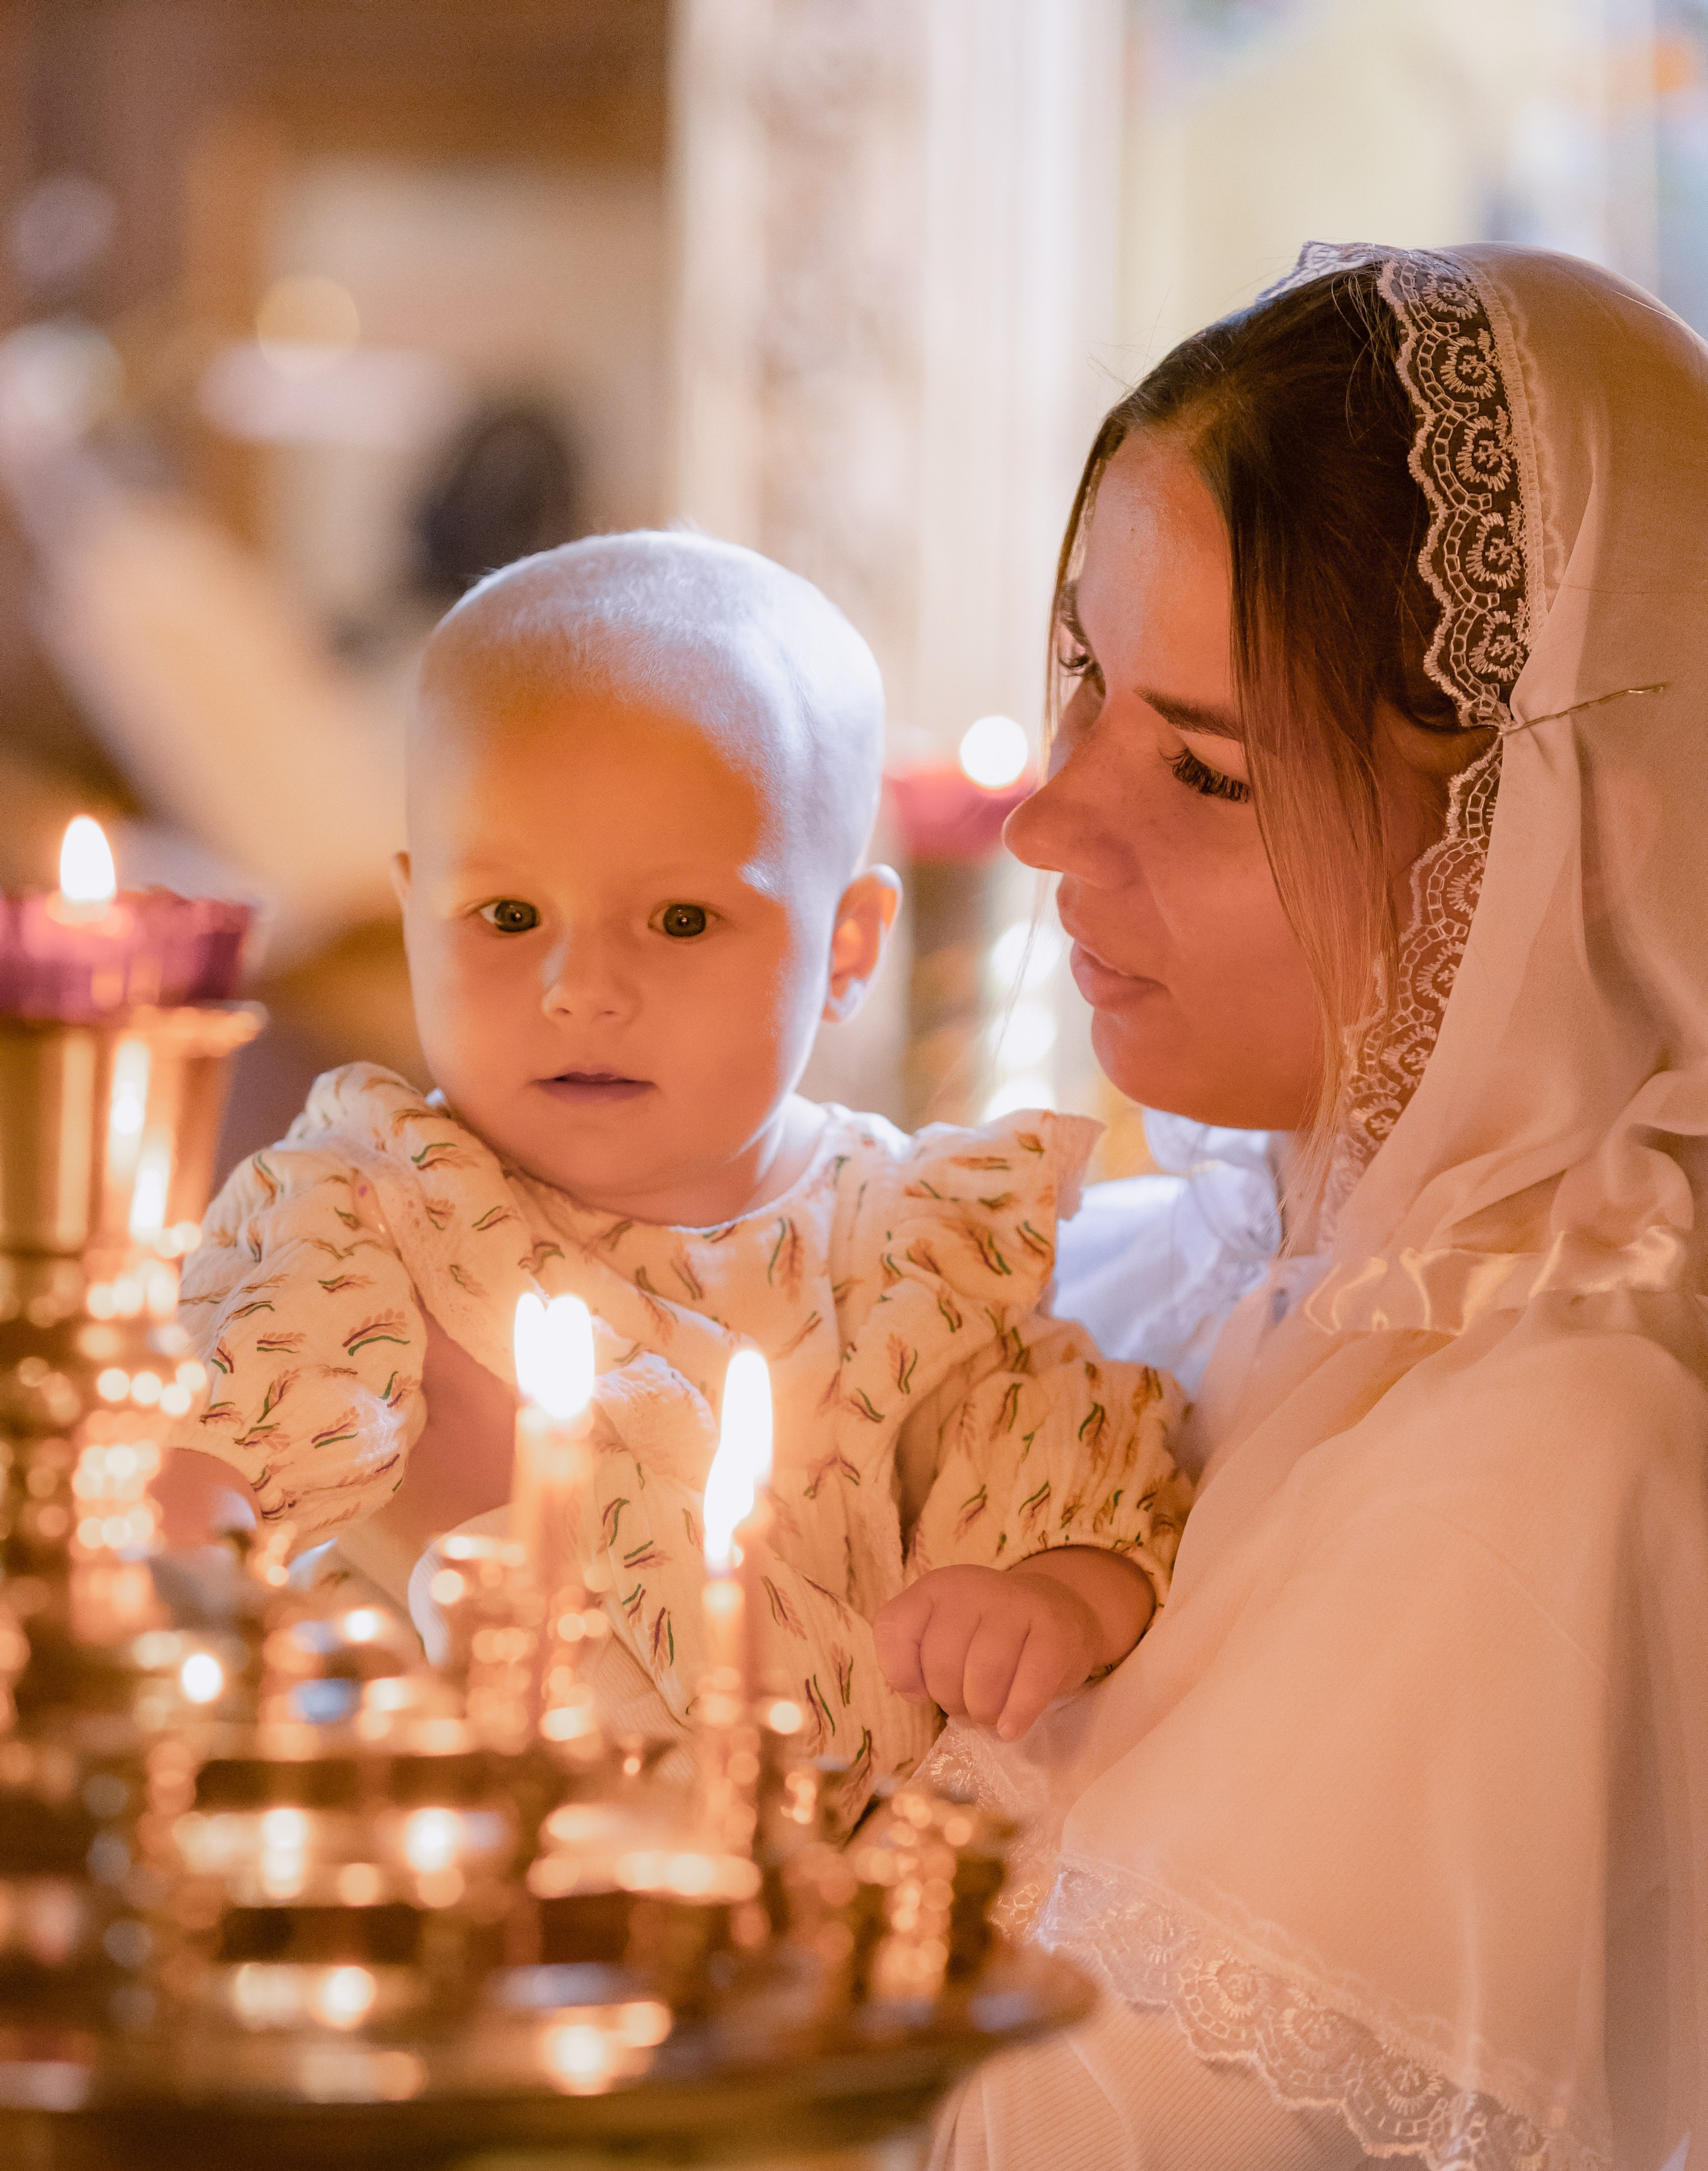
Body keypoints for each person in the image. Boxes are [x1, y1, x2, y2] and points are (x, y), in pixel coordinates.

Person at [556, 244, 1708, 2171]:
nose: (1057, 813)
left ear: (1527, 841)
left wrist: (572, 1800)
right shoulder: (1178, 1276)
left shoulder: (1552, 1457)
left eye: (1200, 758)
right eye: (1080, 680)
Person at [159, 531, 1188, 1797]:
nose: (580, 988)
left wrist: (1057, 1598)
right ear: (418, 909)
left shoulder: (921, 1242)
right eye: (508, 916)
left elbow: (1079, 1476)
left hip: (782, 1893)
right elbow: (245, 1433)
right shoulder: (377, 1202)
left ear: (850, 946)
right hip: (429, 1851)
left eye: (684, 919)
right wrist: (174, 1524)